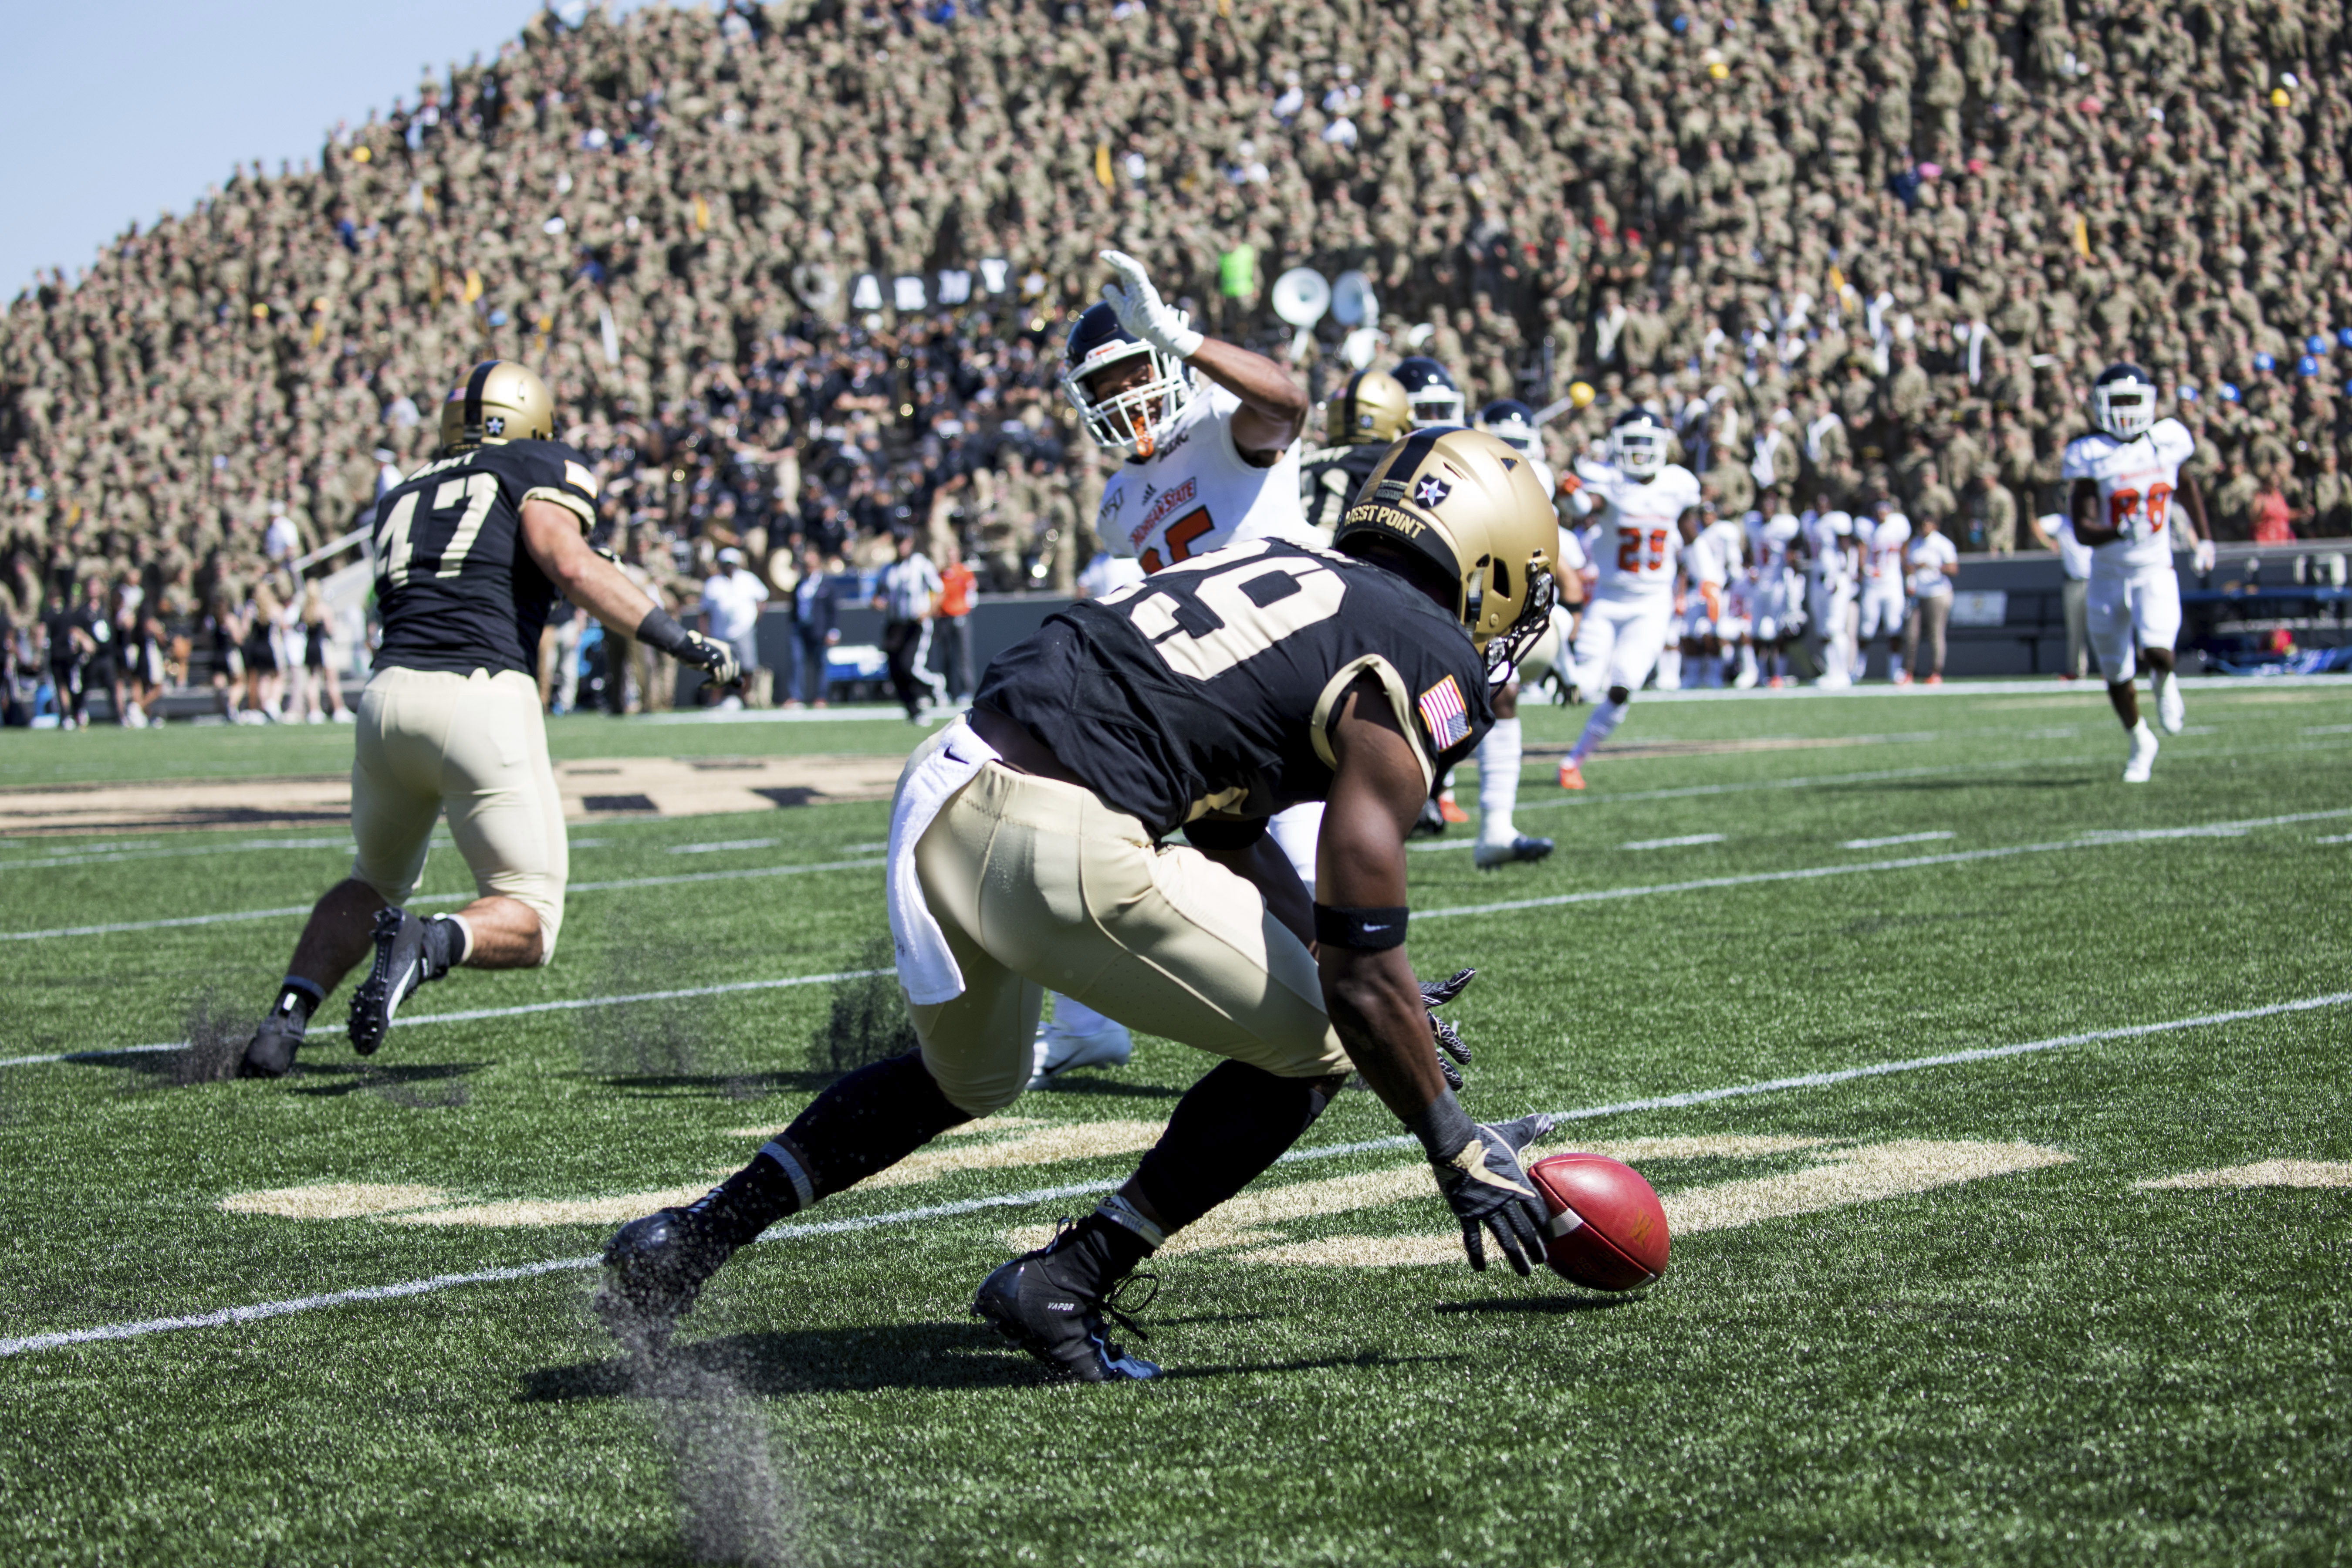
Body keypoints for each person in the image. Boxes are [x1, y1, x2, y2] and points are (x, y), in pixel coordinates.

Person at [595, 428, 1563, 1382]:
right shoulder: (1428, 646)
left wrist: (1323, 948)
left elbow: (1228, 825)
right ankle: (1065, 1282)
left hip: (948, 782)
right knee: (1320, 1043)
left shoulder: (1287, 568)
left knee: (967, 1078)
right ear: (1491, 555)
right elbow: (1359, 934)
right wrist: (1452, 1143)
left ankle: (692, 1237)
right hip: (1060, 830)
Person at [239, 361, 739, 1078]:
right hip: (479, 698)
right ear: (530, 419)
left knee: (372, 879)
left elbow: (474, 569)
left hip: (385, 701)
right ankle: (432, 943)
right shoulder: (535, 463)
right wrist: (677, 639)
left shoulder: (405, 491)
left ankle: (283, 1021)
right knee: (530, 915)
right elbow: (563, 562)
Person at [1048, 248, 1317, 1082]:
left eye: (1136, 370)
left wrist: (1180, 336)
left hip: (1295, 667)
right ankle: (1086, 1022)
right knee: (1068, 824)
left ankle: (1367, 1012)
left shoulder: (1223, 430)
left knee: (1311, 871)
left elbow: (1288, 401)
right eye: (1104, 387)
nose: (1124, 397)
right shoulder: (1119, 508)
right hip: (1205, 686)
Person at [2062, 363, 2215, 783]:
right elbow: (2083, 529)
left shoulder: (2167, 441)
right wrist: (2117, 529)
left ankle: (2165, 682)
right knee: (2116, 672)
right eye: (2119, 402)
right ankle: (2139, 738)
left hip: (2155, 569)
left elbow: (2186, 487)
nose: (2127, 411)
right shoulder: (2089, 454)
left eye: (2134, 401)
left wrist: (2204, 538)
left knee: (2158, 651)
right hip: (2109, 575)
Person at [1557, 408, 1702, 790]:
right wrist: (1569, 497)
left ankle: (1574, 761)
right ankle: (1557, 660)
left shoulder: (1676, 484)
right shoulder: (1607, 482)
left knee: (1624, 685)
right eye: (1632, 443)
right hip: (1608, 599)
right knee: (1584, 686)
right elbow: (1587, 507)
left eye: (1645, 443)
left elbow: (1691, 535)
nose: (1639, 452)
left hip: (1652, 603)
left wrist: (1710, 580)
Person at [875, 530, 946, 721]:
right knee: (894, 669)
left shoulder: (921, 564)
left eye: (904, 541)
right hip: (894, 624)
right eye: (898, 541)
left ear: (911, 542)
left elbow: (939, 591)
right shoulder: (888, 569)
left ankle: (934, 684)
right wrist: (877, 603)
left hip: (916, 623)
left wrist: (928, 611)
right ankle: (913, 710)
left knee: (910, 666)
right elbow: (879, 594)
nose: (901, 546)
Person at [700, 546, 770, 708]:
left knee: (747, 667)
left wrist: (753, 621)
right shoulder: (713, 583)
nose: (729, 567)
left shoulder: (748, 579)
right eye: (726, 564)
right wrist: (706, 632)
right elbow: (704, 611)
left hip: (744, 630)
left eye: (732, 563)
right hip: (720, 633)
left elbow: (762, 599)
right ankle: (715, 701)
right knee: (719, 668)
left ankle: (747, 699)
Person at [1853, 497, 1913, 682]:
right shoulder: (1866, 527)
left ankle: (1895, 670)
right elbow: (1861, 553)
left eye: (1885, 510)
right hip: (1873, 584)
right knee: (1866, 628)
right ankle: (1857, 669)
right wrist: (1865, 569)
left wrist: (1909, 577)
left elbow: (1905, 552)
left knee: (1895, 627)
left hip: (1892, 583)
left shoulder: (1899, 525)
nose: (1882, 514)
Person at [1802, 496, 1857, 688]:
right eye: (1818, 504)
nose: (1821, 507)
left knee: (1835, 628)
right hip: (1818, 577)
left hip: (1835, 578)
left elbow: (1847, 548)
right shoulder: (1809, 520)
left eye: (1825, 504)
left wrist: (1844, 575)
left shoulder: (1838, 521)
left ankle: (1842, 673)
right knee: (1823, 630)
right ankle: (1830, 671)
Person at [1901, 513, 1960, 685]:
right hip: (1918, 594)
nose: (1924, 527)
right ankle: (1908, 672)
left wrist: (1932, 566)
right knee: (1911, 635)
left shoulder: (1942, 543)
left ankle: (1936, 672)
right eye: (1922, 524)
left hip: (1938, 593)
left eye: (1928, 524)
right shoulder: (1915, 543)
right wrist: (1911, 570)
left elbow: (1953, 569)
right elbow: (1908, 566)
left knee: (1936, 633)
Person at [786, 544, 838, 708]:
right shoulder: (799, 585)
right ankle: (796, 696)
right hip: (801, 628)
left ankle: (821, 696)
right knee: (797, 661)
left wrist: (833, 631)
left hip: (819, 629)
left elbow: (833, 610)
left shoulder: (827, 585)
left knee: (821, 663)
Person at [935, 539, 979, 701]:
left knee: (963, 656)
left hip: (960, 616)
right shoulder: (941, 574)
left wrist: (964, 611)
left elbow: (972, 595)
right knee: (945, 656)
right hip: (944, 618)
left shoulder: (965, 572)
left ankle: (967, 690)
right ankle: (948, 691)